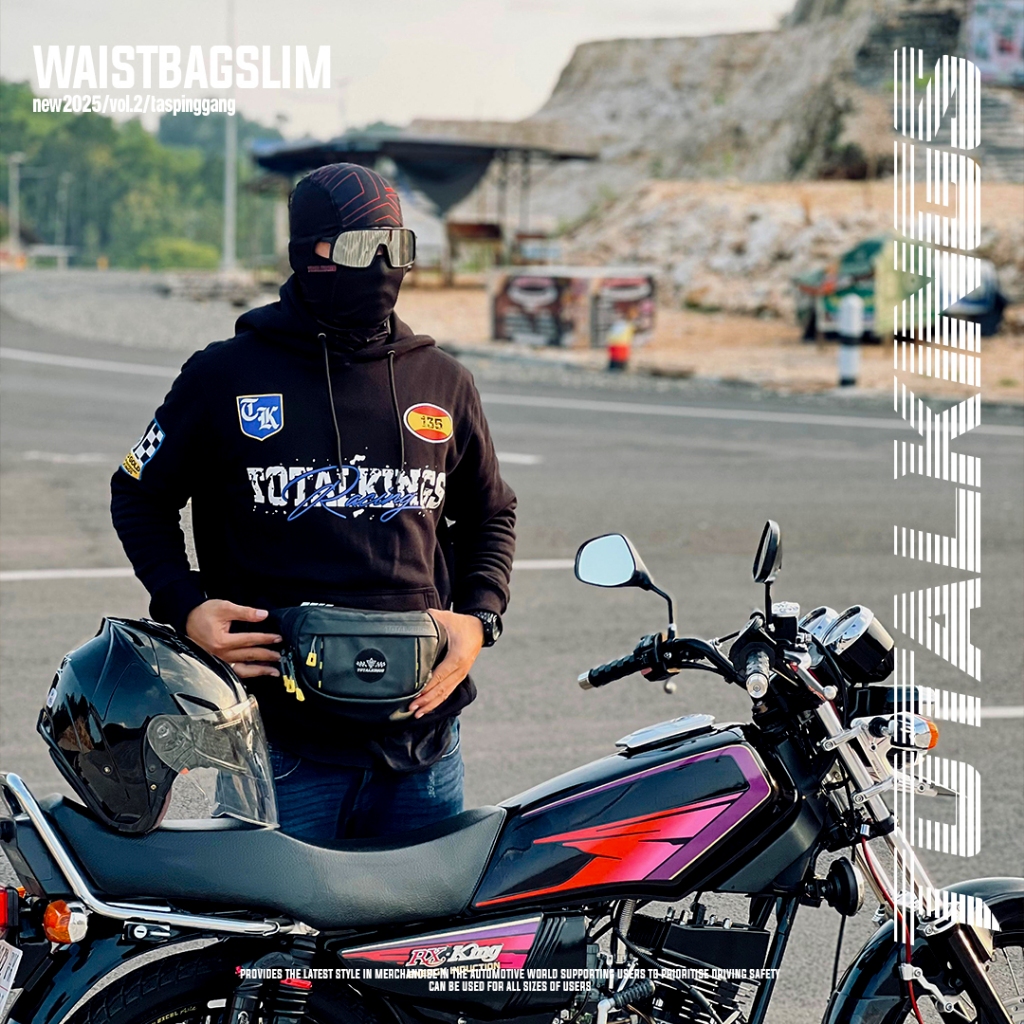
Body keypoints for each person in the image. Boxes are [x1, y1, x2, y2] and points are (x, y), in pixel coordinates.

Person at [110, 163, 516, 843]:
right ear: (309, 254)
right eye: (360, 247)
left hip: (424, 745)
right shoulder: (224, 375)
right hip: (281, 746)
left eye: (397, 247)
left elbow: (490, 513)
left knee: (420, 917)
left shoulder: (443, 381)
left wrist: (480, 619)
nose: (382, 266)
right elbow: (138, 493)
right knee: (269, 916)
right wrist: (185, 607)